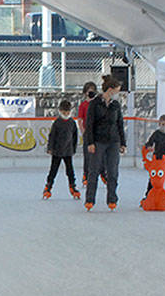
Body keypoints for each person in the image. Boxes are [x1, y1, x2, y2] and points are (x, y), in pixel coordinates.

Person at [83, 75, 126, 210]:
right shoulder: (95, 104)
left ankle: (112, 199)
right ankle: (90, 199)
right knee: (94, 171)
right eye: (117, 91)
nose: (118, 94)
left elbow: (120, 123)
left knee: (113, 171)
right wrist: (90, 142)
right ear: (110, 89)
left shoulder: (115, 105)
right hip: (98, 141)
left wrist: (122, 142)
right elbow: (89, 124)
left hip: (113, 141)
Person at [43, 99, 80, 199]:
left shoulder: (72, 122)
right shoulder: (57, 122)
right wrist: (50, 147)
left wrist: (74, 148)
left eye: (68, 112)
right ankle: (48, 186)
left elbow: (75, 136)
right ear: (60, 111)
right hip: (57, 151)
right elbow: (52, 136)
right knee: (53, 170)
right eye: (64, 112)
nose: (66, 114)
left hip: (68, 151)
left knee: (70, 170)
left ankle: (73, 186)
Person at [76, 80, 97, 184]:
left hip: (97, 133)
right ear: (85, 93)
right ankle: (86, 174)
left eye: (93, 91)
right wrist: (83, 131)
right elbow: (80, 119)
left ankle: (99, 173)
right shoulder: (83, 105)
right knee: (87, 155)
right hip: (88, 133)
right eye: (89, 91)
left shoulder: (97, 104)